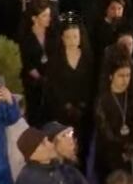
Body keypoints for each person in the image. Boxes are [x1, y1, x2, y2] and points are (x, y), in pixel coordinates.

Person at [45, 19, 95, 168]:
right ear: (62, 39)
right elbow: (53, 86)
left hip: (84, 112)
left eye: (75, 36)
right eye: (68, 37)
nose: (72, 40)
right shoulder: (55, 60)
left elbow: (91, 84)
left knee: (83, 147)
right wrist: (66, 105)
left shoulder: (88, 58)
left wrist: (82, 105)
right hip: (62, 112)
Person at [95, 56, 133, 183]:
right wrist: (122, 147)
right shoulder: (103, 101)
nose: (125, 80)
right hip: (112, 156)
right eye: (121, 75)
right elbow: (104, 130)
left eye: (128, 75)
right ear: (111, 76)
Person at [20, 0, 53, 126]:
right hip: (33, 83)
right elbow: (27, 63)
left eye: (49, 15)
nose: (48, 18)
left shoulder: (52, 33)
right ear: (34, 18)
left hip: (51, 80)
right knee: (36, 116)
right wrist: (40, 79)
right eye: (44, 15)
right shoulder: (26, 37)